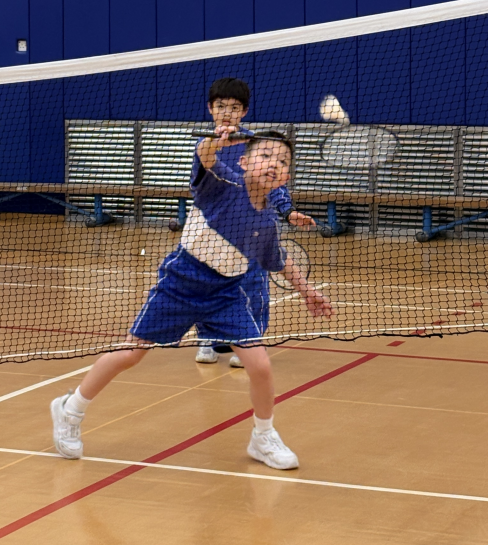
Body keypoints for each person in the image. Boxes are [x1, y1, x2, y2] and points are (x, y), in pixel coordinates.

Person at [51, 127, 332, 470]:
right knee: (130, 354)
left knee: (260, 365)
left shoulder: (267, 222)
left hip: (226, 294)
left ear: (286, 178)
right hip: (181, 284)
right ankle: (70, 409)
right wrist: (216, 141)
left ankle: (263, 436)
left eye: (283, 161)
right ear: (244, 162)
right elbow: (205, 155)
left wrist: (308, 291)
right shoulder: (221, 185)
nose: (274, 164)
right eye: (265, 155)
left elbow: (279, 261)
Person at [192, 78, 316, 367]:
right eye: (221, 106)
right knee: (208, 286)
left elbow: (273, 182)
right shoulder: (205, 145)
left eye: (234, 107)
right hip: (212, 230)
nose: (227, 113)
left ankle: (248, 343)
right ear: (210, 108)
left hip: (252, 228)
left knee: (253, 287)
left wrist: (288, 211)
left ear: (244, 111)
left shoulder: (257, 145)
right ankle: (207, 339)